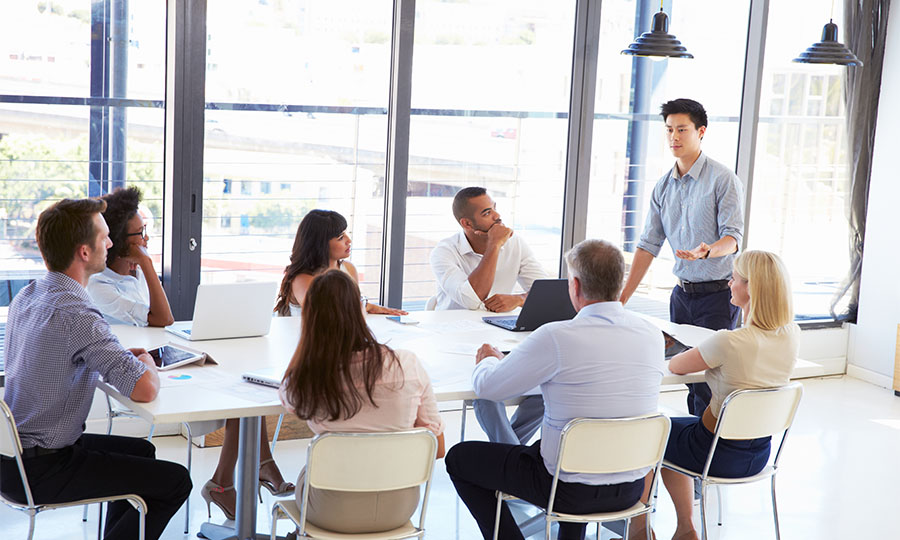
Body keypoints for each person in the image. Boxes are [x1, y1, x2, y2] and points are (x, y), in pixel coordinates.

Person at [85, 186, 293, 520]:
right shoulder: (100, 285)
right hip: (138, 371)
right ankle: (240, 477)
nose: (147, 240)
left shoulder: (132, 272)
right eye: (139, 235)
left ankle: (233, 479)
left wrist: (141, 265)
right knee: (239, 400)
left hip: (157, 359)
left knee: (243, 393)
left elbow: (160, 319)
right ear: (120, 240)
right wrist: (148, 265)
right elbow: (163, 318)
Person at [445, 239, 665, 540]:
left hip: (565, 490)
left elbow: (488, 388)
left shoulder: (557, 336)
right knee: (575, 451)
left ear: (574, 286)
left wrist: (488, 361)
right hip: (632, 488)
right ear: (620, 282)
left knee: (459, 459)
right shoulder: (652, 335)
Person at [0, 198, 191, 540]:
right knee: (175, 481)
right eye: (104, 237)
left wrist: (114, 359)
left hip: (12, 457)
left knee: (143, 452)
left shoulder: (29, 296)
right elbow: (145, 388)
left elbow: (64, 356)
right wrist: (145, 362)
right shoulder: (76, 313)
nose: (112, 243)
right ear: (84, 252)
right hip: (44, 468)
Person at [279, 269, 446, 533]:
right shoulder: (408, 364)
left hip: (330, 511)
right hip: (400, 507)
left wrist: (306, 348)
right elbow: (437, 450)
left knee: (310, 468)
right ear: (360, 310)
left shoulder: (307, 376)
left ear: (310, 318)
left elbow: (290, 401)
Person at [659, 250, 799, 540]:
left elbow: (676, 365)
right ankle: (684, 531)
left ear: (751, 288)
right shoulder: (791, 334)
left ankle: (663, 530)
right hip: (760, 454)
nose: (728, 285)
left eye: (733, 278)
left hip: (714, 453)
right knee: (677, 426)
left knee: (651, 431)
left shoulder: (729, 341)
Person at [619, 98, 745, 417]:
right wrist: (621, 298)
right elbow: (648, 244)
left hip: (718, 296)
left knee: (712, 379)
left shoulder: (722, 179)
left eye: (682, 130)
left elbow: (734, 239)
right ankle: (695, 441)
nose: (674, 137)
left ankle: (711, 451)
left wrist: (708, 250)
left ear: (701, 131)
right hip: (681, 296)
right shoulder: (663, 187)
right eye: (669, 130)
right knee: (688, 378)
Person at [430, 187, 547, 446]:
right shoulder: (444, 252)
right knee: (487, 394)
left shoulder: (515, 242)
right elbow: (472, 300)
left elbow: (545, 290)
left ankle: (508, 455)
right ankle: (511, 458)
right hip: (456, 344)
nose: (497, 216)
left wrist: (517, 299)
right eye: (487, 212)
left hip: (503, 337)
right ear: (467, 224)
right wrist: (494, 245)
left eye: (494, 207)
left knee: (546, 389)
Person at [274, 209, 406, 317]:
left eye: (346, 233)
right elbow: (326, 315)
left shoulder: (348, 268)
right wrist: (363, 305)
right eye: (340, 238)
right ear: (320, 245)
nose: (348, 240)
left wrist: (369, 306)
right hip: (312, 344)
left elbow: (350, 307)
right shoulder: (302, 279)